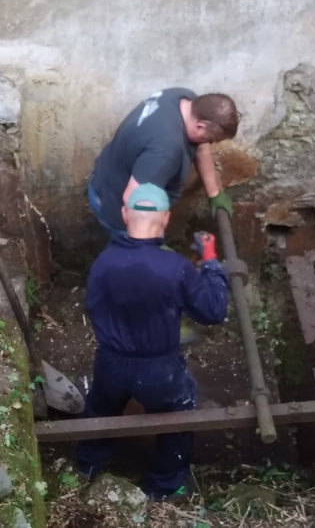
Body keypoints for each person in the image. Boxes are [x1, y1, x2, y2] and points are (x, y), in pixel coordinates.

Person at [76, 183, 229, 501]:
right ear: (166, 218)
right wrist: (211, 262)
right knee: (179, 412)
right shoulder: (175, 268)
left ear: (124, 214)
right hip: (159, 369)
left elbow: (94, 306)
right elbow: (213, 311)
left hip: (110, 361)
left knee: (101, 409)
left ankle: (86, 467)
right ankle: (164, 486)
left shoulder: (103, 263)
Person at [87, 88, 239, 239]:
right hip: (116, 205)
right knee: (132, 252)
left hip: (108, 175)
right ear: (199, 126)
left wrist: (214, 193)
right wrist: (150, 243)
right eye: (210, 139)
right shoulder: (166, 150)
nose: (209, 143)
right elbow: (133, 199)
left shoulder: (184, 99)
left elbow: (201, 147)